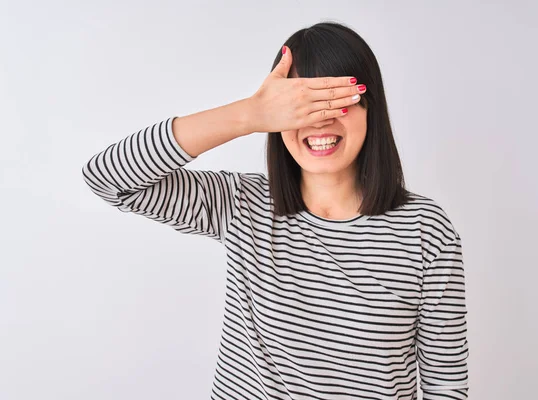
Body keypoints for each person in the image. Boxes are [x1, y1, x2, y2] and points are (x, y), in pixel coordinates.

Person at [82, 21, 469, 400]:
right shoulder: (241, 204)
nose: (321, 118)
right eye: (302, 104)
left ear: (370, 108)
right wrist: (249, 115)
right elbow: (107, 177)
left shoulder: (425, 229)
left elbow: (446, 385)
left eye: (337, 100)